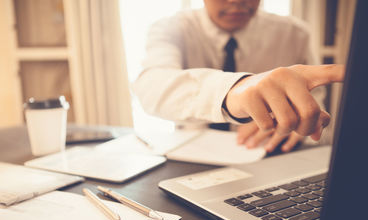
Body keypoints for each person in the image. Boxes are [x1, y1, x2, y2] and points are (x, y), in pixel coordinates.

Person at [132, 0, 344, 153]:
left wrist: (298, 124)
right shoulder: (172, 27)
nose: (236, 1)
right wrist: (235, 92)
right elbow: (152, 84)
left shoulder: (295, 34)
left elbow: (315, 107)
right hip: (189, 157)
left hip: (269, 156)